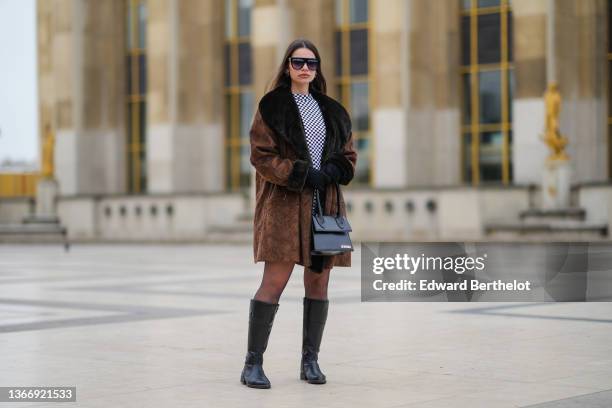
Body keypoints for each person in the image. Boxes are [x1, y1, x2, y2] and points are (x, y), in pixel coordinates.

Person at [241, 38, 357, 389]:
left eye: (311, 63)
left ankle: (310, 361)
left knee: (319, 283)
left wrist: (332, 172)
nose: (305, 68)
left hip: (325, 206)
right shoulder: (272, 107)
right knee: (274, 282)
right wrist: (301, 173)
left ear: (318, 68)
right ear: (287, 66)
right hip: (284, 207)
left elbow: (348, 155)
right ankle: (252, 364)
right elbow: (261, 156)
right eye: (298, 62)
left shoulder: (334, 111)